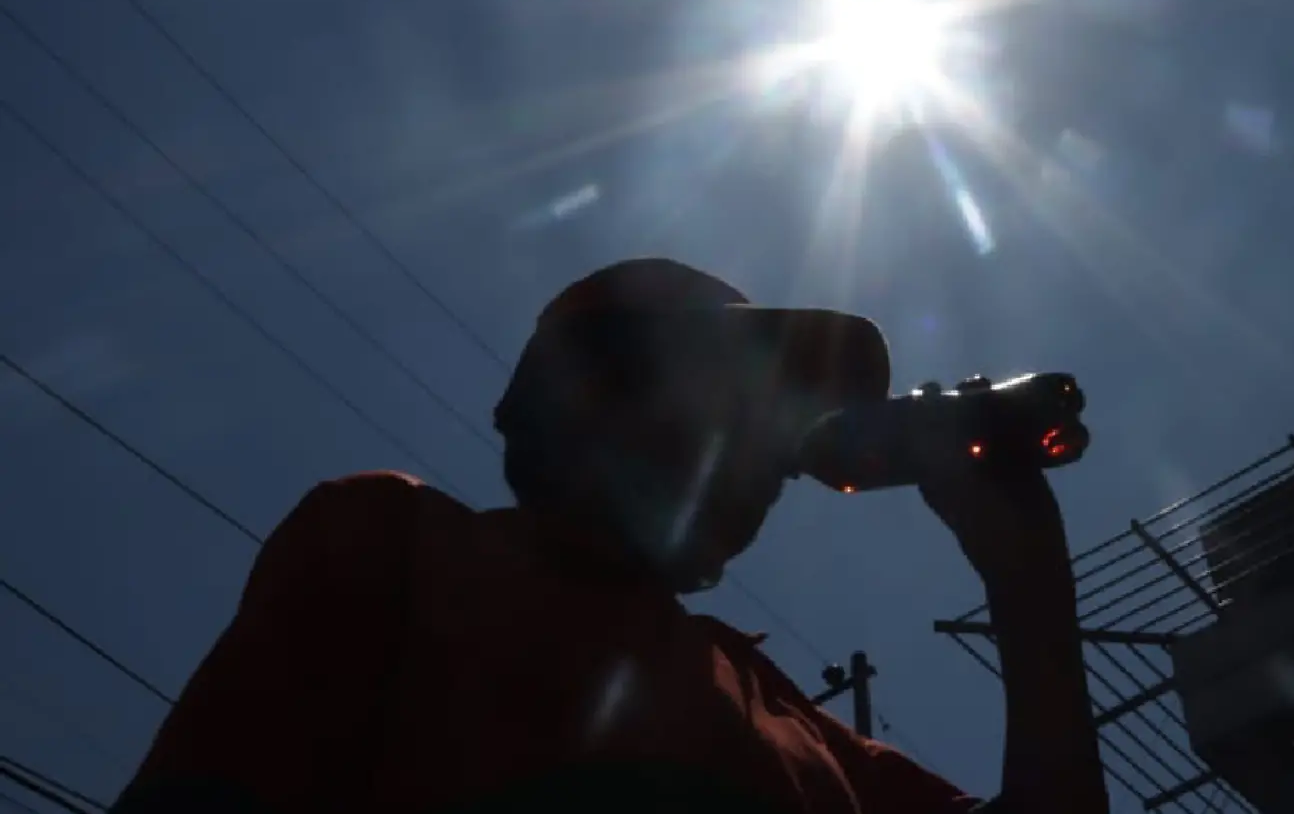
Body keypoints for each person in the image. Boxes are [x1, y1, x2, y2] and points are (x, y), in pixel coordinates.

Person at [112, 258, 1109, 814]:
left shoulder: (795, 725)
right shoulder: (400, 544)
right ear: (592, 398)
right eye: (732, 396)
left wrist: (1028, 581)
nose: (770, 443)